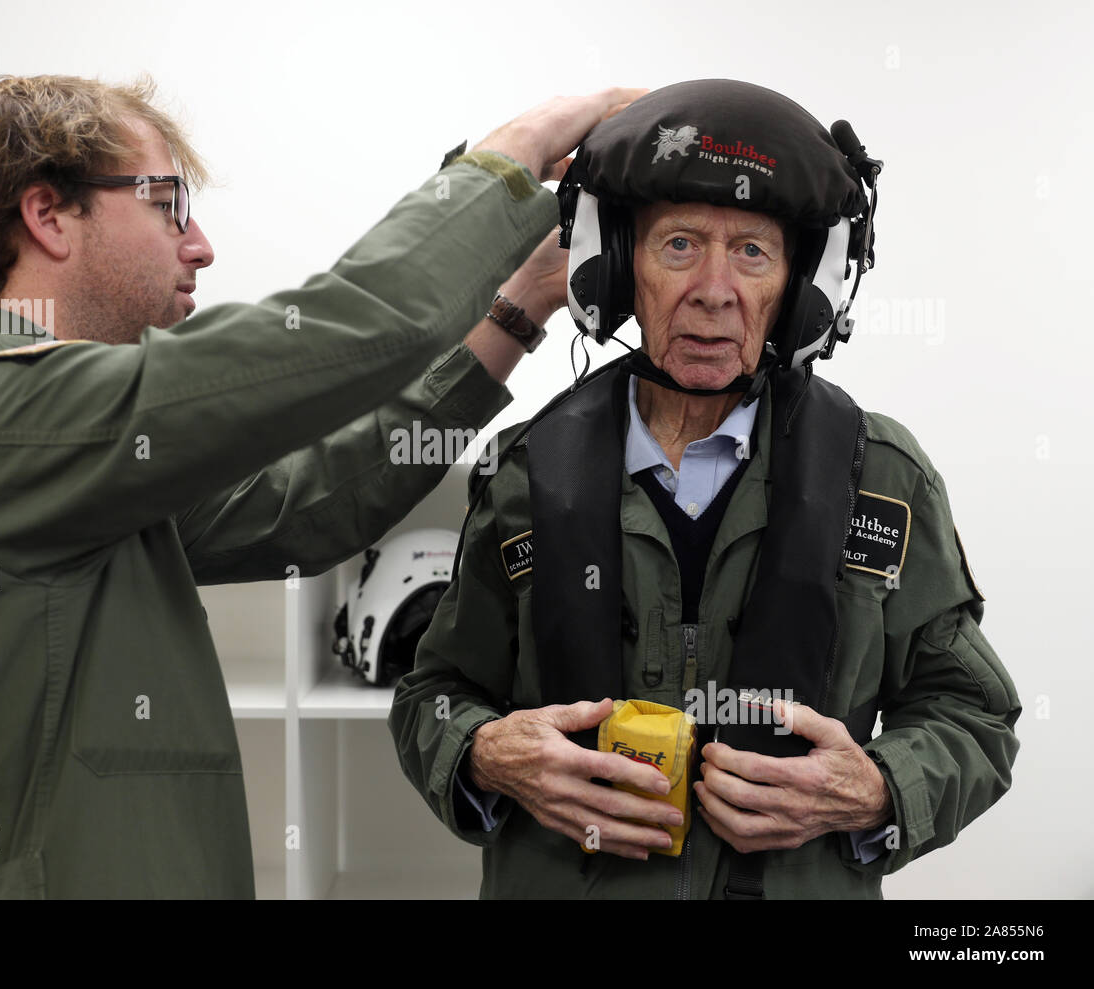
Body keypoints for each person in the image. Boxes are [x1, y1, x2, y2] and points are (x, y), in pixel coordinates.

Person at [0, 73, 644, 898]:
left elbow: (317, 500)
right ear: (47, 215)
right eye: (167, 204)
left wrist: (523, 302)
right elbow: (359, 325)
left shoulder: (73, 465)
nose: (199, 245)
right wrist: (525, 148)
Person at [389, 79, 1020, 899]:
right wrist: (481, 751)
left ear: (799, 291)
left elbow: (973, 715)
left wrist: (881, 788)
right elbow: (433, 695)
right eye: (679, 245)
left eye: (752, 252)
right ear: (618, 269)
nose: (714, 290)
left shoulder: (883, 478)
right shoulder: (525, 473)